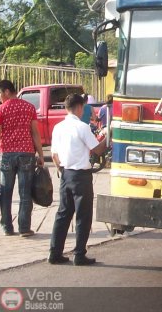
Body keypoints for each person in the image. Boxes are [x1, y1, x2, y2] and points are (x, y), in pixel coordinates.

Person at [48, 93, 107, 266]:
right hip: (81, 176)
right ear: (80, 107)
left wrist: (61, 170)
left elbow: (54, 154)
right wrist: (108, 135)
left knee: (63, 214)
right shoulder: (82, 127)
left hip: (65, 174)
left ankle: (54, 252)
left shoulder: (58, 127)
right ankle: (79, 254)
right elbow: (97, 150)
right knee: (83, 215)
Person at [0, 79, 45, 237]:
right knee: (25, 192)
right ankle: (24, 228)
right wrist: (40, 155)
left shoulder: (1, 110)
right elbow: (35, 132)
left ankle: (7, 227)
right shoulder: (29, 108)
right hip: (26, 154)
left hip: (7, 155)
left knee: (6, 191)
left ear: (7, 91)